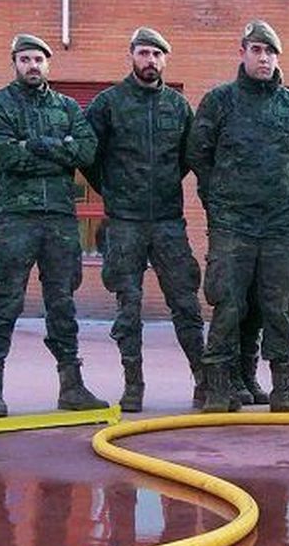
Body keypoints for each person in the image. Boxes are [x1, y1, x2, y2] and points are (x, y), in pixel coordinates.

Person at [0, 33, 109, 416]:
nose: (32, 66)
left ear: (48, 64)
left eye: (38, 59)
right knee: (5, 302)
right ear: (14, 63)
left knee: (63, 305)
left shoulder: (67, 107)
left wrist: (33, 145)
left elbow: (85, 150)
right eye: (25, 59)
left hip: (60, 222)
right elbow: (5, 156)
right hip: (14, 219)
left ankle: (72, 387)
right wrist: (57, 148)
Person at [188, 19, 289, 413]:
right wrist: (219, 200)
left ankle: (283, 388)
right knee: (228, 304)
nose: (264, 58)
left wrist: (288, 203)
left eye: (271, 52)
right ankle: (218, 388)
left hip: (279, 226)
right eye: (257, 50)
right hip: (232, 225)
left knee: (277, 307)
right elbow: (198, 154)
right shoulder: (219, 101)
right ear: (242, 53)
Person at [83, 27, 206, 413]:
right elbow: (88, 155)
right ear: (131, 55)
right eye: (143, 53)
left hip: (168, 220)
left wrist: (166, 184)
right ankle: (133, 384)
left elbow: (190, 156)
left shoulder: (178, 106)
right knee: (128, 305)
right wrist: (114, 190)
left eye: (156, 54)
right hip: (124, 222)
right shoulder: (108, 103)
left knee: (185, 303)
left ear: (164, 59)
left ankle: (203, 381)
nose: (150, 60)